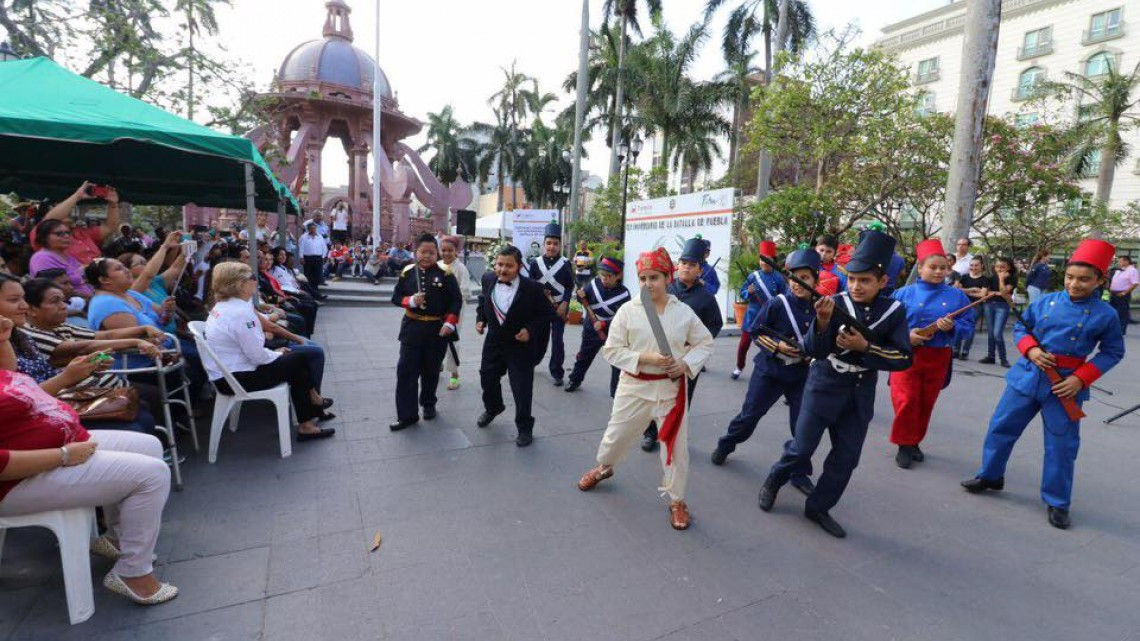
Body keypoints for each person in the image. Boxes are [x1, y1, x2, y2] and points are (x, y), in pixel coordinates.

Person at [757, 229, 912, 538]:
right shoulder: (833, 302)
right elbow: (813, 350)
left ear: (883, 282)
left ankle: (818, 507)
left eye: (865, 280)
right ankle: (776, 477)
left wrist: (865, 348)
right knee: (801, 448)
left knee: (846, 458)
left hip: (860, 392)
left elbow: (903, 358)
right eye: (852, 278)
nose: (856, 286)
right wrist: (823, 323)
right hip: (824, 383)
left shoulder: (894, 311)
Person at [962, 240, 1124, 530]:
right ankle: (990, 475)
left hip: (1064, 386)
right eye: (1070, 277)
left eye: (1085, 279)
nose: (1075, 284)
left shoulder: (1106, 314)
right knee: (1001, 427)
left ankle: (1058, 501)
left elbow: (1113, 352)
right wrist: (1031, 350)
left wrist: (1080, 379)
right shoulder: (1044, 302)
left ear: (1100, 280)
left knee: (1061, 445)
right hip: (1026, 376)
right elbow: (1024, 328)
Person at [0, 345, 178, 604]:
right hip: (18, 479)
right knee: (152, 475)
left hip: (54, 448)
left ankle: (118, 540)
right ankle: (133, 573)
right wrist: (62, 455)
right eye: (13, 300)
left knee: (149, 445)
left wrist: (4, 338)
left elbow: (9, 375)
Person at [576, 247, 714, 531]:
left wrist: (686, 365)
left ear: (667, 278)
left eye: (654, 277)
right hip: (633, 386)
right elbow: (611, 351)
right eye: (643, 278)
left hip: (671, 390)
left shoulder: (684, 313)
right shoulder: (628, 311)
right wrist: (645, 359)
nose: (648, 284)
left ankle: (677, 500)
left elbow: (705, 343)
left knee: (675, 448)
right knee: (616, 435)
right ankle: (604, 467)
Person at [711, 248, 819, 497]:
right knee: (750, 416)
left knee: (802, 426)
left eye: (805, 277)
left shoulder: (819, 308)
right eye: (794, 277)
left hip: (800, 375)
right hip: (769, 371)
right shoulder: (777, 303)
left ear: (815, 280)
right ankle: (727, 443)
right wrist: (778, 346)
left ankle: (799, 472)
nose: (798, 283)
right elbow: (757, 331)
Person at [204, 262, 334, 442]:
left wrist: (277, 354)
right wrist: (278, 354)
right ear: (239, 283)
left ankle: (311, 410)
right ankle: (310, 415)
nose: (255, 281)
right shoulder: (239, 312)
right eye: (252, 277)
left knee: (296, 361)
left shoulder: (224, 307)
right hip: (238, 378)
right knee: (299, 359)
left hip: (227, 375)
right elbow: (257, 355)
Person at [888, 239, 975, 469]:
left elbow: (968, 327)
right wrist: (907, 336)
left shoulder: (957, 297)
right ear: (921, 267)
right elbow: (886, 325)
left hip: (938, 358)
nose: (938, 272)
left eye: (943, 268)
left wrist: (953, 327)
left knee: (926, 402)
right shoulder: (902, 294)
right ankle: (903, 444)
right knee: (906, 400)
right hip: (906, 355)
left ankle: (915, 440)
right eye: (933, 267)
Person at [642, 238, 723, 452]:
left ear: (699, 269)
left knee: (681, 399)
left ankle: (671, 434)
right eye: (683, 262)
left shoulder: (706, 297)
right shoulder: (665, 288)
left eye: (692, 264)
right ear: (677, 265)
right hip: (659, 352)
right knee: (656, 394)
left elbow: (715, 324)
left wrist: (696, 346)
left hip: (686, 358)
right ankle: (651, 433)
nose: (686, 267)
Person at [474, 245, 557, 447]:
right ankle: (493, 407)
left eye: (508, 266)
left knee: (521, 388)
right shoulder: (488, 279)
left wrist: (530, 330)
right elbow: (484, 300)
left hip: (520, 345)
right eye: (499, 264)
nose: (503, 270)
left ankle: (524, 428)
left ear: (519, 267)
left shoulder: (533, 288)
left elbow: (548, 314)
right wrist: (481, 319)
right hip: (494, 341)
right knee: (487, 377)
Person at [388, 234, 463, 431]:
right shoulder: (407, 272)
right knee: (406, 372)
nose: (427, 256)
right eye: (423, 252)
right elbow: (396, 297)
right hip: (412, 329)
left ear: (436, 253)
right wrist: (410, 301)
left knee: (431, 371)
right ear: (416, 252)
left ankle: (429, 404)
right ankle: (407, 415)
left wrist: (450, 323)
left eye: (432, 252)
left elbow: (456, 300)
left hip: (436, 330)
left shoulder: (445, 273)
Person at [565, 257, 630, 395]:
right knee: (584, 356)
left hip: (613, 331)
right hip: (591, 328)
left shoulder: (624, 294)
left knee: (617, 362)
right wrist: (579, 295)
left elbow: (624, 318)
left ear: (618, 276)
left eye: (609, 276)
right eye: (602, 274)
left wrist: (605, 324)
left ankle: (616, 391)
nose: (604, 278)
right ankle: (574, 380)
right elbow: (584, 298)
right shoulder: (594, 284)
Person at [526, 223, 575, 386]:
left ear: (560, 245)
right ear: (544, 244)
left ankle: (557, 371)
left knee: (558, 340)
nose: (552, 246)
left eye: (555, 243)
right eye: (549, 243)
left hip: (559, 308)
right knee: (539, 338)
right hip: (540, 308)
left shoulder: (565, 263)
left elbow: (569, 285)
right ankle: (532, 362)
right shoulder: (535, 263)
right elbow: (531, 285)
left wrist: (565, 304)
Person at [33, 182, 123, 267]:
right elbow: (50, 220)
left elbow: (110, 227)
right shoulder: (41, 233)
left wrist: (113, 204)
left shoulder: (81, 232)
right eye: (61, 207)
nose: (69, 210)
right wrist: (77, 196)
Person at [733, 240, 787, 380]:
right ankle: (739, 367)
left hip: (769, 319)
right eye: (761, 260)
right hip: (752, 317)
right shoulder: (753, 276)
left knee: (769, 347)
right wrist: (748, 292)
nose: (764, 263)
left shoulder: (779, 278)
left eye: (767, 260)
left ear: (773, 261)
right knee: (744, 344)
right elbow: (743, 291)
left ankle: (771, 372)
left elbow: (785, 296)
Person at [28, 219, 94, 299]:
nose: (66, 236)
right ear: (44, 237)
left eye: (68, 233)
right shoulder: (42, 258)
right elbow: (52, 290)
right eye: (59, 234)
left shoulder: (67, 257)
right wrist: (93, 299)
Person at [439, 237, 471, 390]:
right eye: (443, 250)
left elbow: (465, 292)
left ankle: (454, 375)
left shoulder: (461, 268)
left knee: (452, 341)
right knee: (436, 337)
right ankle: (437, 363)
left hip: (454, 311)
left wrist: (451, 302)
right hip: (437, 310)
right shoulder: (437, 265)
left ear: (456, 251)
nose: (446, 253)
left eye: (450, 250)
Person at [980, 257, 1017, 368]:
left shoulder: (1012, 278)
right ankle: (991, 356)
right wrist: (997, 293)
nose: (999, 269)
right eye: (997, 266)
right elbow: (983, 294)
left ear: (1009, 267)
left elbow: (1004, 293)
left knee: (997, 333)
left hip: (1002, 306)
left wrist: (1001, 280)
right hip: (989, 305)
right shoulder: (989, 278)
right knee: (991, 333)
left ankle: (1003, 359)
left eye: (1002, 267)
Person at [953, 256, 989, 360]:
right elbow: (957, 290)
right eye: (971, 265)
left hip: (975, 306)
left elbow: (982, 295)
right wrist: (973, 289)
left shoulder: (984, 279)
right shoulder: (964, 277)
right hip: (962, 305)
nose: (973, 267)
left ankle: (965, 351)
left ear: (981, 266)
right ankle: (956, 349)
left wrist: (965, 291)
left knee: (970, 327)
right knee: (958, 325)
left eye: (976, 265)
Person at [1108, 255, 1137, 335]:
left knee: (1122, 313)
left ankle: (1121, 330)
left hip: (1122, 294)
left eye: (1121, 261)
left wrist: (1124, 292)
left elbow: (1135, 284)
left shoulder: (1132, 270)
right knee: (1111, 312)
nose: (1119, 263)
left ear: (1126, 261)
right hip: (1113, 293)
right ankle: (1112, 329)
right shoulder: (1119, 270)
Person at [299, 222, 329, 294]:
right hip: (307, 258)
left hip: (318, 258)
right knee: (308, 275)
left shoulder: (320, 236)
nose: (313, 230)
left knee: (317, 275)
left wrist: (323, 256)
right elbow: (301, 247)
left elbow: (324, 247)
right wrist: (301, 257)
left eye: (314, 228)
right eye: (311, 228)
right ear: (308, 229)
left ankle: (316, 291)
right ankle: (309, 291)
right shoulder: (304, 236)